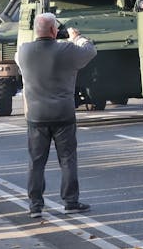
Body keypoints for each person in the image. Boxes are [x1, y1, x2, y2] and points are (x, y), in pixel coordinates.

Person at [16, 13, 98, 218]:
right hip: (63, 113)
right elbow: (90, 51)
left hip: (36, 116)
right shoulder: (66, 49)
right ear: (54, 30)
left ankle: (35, 205)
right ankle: (70, 201)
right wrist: (76, 37)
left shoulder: (23, 52)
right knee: (67, 159)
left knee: (36, 162)